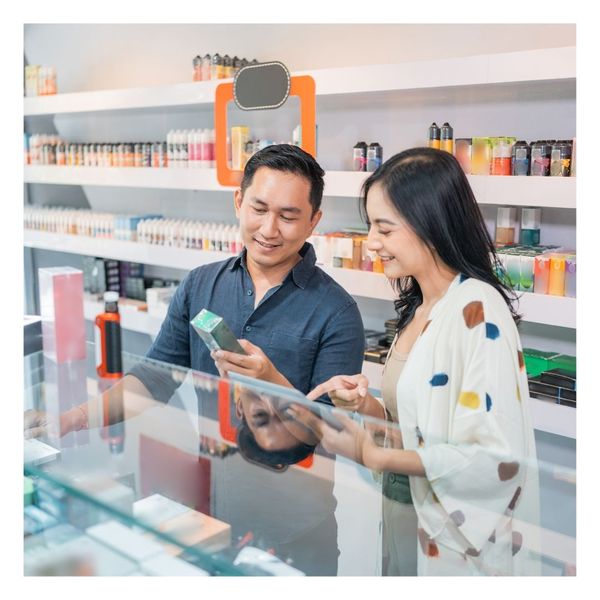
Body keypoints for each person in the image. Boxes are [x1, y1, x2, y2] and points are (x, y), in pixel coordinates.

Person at [299, 147, 539, 576]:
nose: (371, 242)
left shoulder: (477, 309)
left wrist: (373, 455)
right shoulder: (421, 307)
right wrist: (365, 407)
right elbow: (411, 423)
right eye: (371, 226)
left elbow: (492, 456)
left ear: (430, 226)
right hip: (407, 517)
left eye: (384, 229)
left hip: (453, 542)